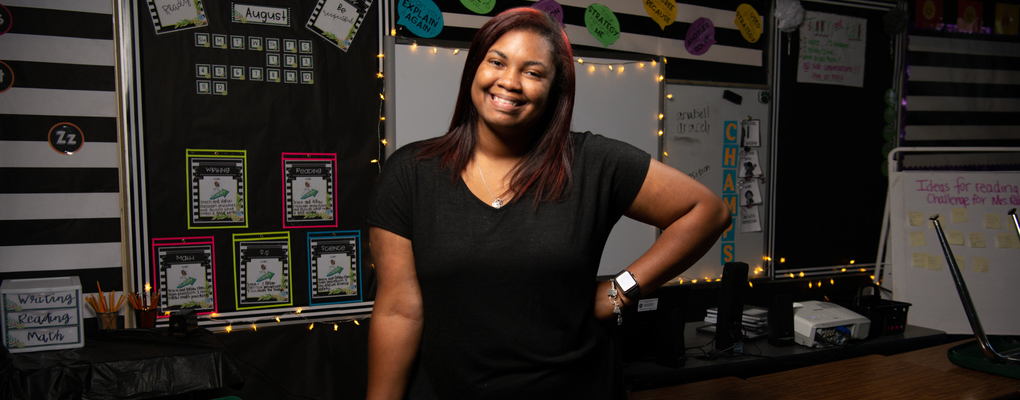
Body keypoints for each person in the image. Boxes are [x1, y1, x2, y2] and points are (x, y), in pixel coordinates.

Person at [366, 7, 730, 400]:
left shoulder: (593, 163)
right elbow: (398, 311)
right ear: (475, 67)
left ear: (556, 89)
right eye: (497, 62)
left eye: (533, 72)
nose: (509, 82)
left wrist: (620, 291)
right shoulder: (410, 173)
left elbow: (709, 212)